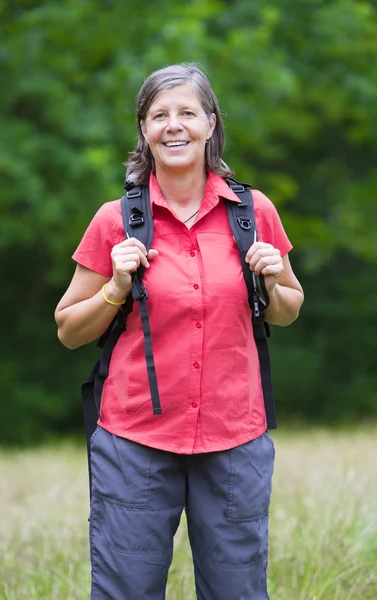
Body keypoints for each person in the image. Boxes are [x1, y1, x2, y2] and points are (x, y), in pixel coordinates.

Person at [55, 63, 304, 600]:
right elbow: (69, 330)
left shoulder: (252, 212)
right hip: (134, 441)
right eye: (159, 115)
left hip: (235, 437)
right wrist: (116, 286)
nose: (174, 125)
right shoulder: (115, 219)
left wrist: (273, 277)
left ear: (210, 124)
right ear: (143, 130)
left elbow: (287, 309)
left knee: (237, 591)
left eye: (187, 112)